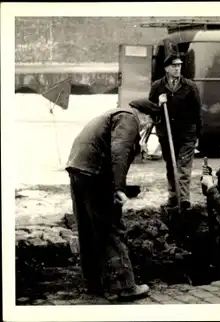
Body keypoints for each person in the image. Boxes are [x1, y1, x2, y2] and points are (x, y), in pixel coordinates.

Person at [65, 98, 159, 301]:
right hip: (94, 174)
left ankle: (94, 284)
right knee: (112, 228)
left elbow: (111, 150)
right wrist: (119, 188)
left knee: (88, 229)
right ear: (146, 116)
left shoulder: (114, 114)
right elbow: (119, 152)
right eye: (149, 123)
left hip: (79, 170)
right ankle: (125, 286)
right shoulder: (129, 118)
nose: (145, 127)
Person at [148, 54, 203, 210]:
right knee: (171, 166)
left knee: (183, 167)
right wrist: (159, 103)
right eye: (174, 66)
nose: (177, 68)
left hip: (187, 134)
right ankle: (173, 197)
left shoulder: (190, 86)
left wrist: (199, 134)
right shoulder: (157, 86)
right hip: (167, 134)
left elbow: (197, 111)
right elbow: (150, 108)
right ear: (166, 68)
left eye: (179, 65)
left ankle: (184, 199)